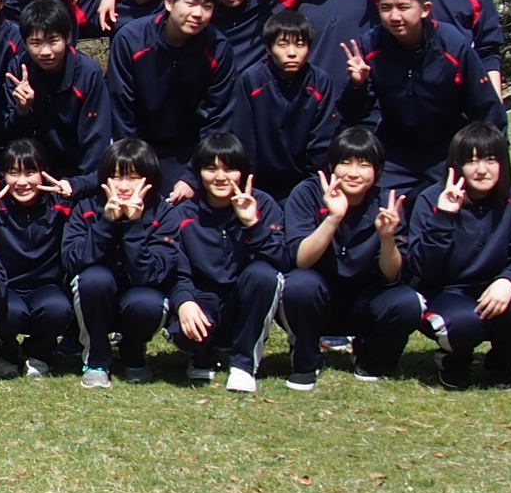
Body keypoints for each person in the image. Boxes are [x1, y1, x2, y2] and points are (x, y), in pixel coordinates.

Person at [335, 0, 503, 196]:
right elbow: (352, 113)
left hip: (447, 149)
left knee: (451, 205)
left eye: (403, 7)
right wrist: (358, 85)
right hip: (394, 152)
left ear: (425, 9)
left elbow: (486, 108)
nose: (394, 17)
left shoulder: (452, 45)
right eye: (386, 8)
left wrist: (495, 158)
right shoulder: (370, 45)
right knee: (381, 208)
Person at [281, 127, 422, 388]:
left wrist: (387, 237)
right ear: (332, 165)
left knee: (407, 302)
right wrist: (333, 218)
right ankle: (304, 358)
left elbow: (392, 275)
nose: (354, 173)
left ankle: (370, 356)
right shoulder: (307, 193)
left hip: (364, 301)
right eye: (345, 162)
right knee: (299, 284)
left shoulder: (387, 201)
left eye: (364, 165)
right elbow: (301, 260)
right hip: (317, 297)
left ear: (377, 170)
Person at [404, 122, 511, 390]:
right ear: (456, 165)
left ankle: (503, 363)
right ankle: (454, 360)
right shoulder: (431, 199)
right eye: (471, 161)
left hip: (496, 288)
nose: (481, 170)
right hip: (447, 293)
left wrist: (509, 281)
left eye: (490, 160)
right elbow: (420, 268)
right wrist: (444, 217)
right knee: (464, 322)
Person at [156, 132, 286, 392]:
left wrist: (252, 224)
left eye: (229, 169)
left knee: (263, 275)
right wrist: (184, 302)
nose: (220, 177)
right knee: (186, 328)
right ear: (198, 173)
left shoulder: (263, 204)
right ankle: (202, 354)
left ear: (243, 172)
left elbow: (282, 260)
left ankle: (243, 365)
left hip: (243, 301)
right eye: (210, 169)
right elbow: (176, 270)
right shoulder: (182, 214)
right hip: (203, 300)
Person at [106, 0, 236, 195]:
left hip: (189, 148)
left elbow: (218, 118)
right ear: (169, 3)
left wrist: (192, 177)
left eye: (207, 6)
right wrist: (132, 168)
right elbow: (121, 109)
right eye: (191, 3)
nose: (198, 14)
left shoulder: (218, 48)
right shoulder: (131, 40)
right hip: (138, 143)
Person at [66, 137, 176, 387]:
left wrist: (134, 225)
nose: (123, 186)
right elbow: (73, 261)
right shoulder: (87, 207)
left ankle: (133, 354)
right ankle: (96, 358)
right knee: (93, 279)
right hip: (97, 298)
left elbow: (151, 275)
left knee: (147, 301)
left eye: (133, 177)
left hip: (138, 295)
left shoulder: (164, 213)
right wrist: (106, 223)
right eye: (116, 177)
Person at [0, 138, 76, 378]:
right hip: (6, 286)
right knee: (11, 312)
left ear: (44, 174)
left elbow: (94, 186)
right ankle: (3, 352)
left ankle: (40, 353)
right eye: (13, 173)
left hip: (46, 286)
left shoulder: (60, 204)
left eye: (30, 173)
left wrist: (73, 187)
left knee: (57, 308)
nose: (22, 182)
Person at [222, 10, 341, 201]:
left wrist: (313, 186)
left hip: (306, 182)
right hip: (259, 183)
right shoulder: (252, 80)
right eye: (283, 44)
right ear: (269, 49)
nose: (292, 53)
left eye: (300, 44)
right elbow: (244, 137)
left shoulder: (320, 82)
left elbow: (322, 140)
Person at [0, 1, 110, 197]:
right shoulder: (19, 69)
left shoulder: (87, 72)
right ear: (24, 42)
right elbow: (10, 136)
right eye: (36, 43)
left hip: (77, 174)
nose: (45, 52)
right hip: (31, 174)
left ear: (67, 37)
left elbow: (96, 138)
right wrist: (22, 111)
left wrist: (80, 184)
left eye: (53, 41)